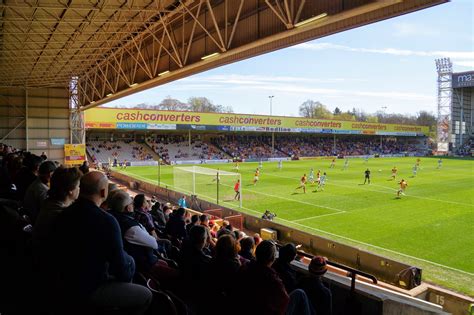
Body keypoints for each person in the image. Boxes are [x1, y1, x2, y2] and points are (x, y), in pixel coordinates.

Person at [53, 171, 152, 313]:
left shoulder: (63, 214)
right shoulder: (107, 221)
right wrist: (131, 264)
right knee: (146, 295)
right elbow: (121, 269)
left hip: (64, 282)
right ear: (103, 192)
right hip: (89, 288)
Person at [234, 240, 311, 315]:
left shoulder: (244, 267)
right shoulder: (273, 279)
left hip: (245, 308)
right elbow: (284, 302)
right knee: (300, 293)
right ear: (272, 259)